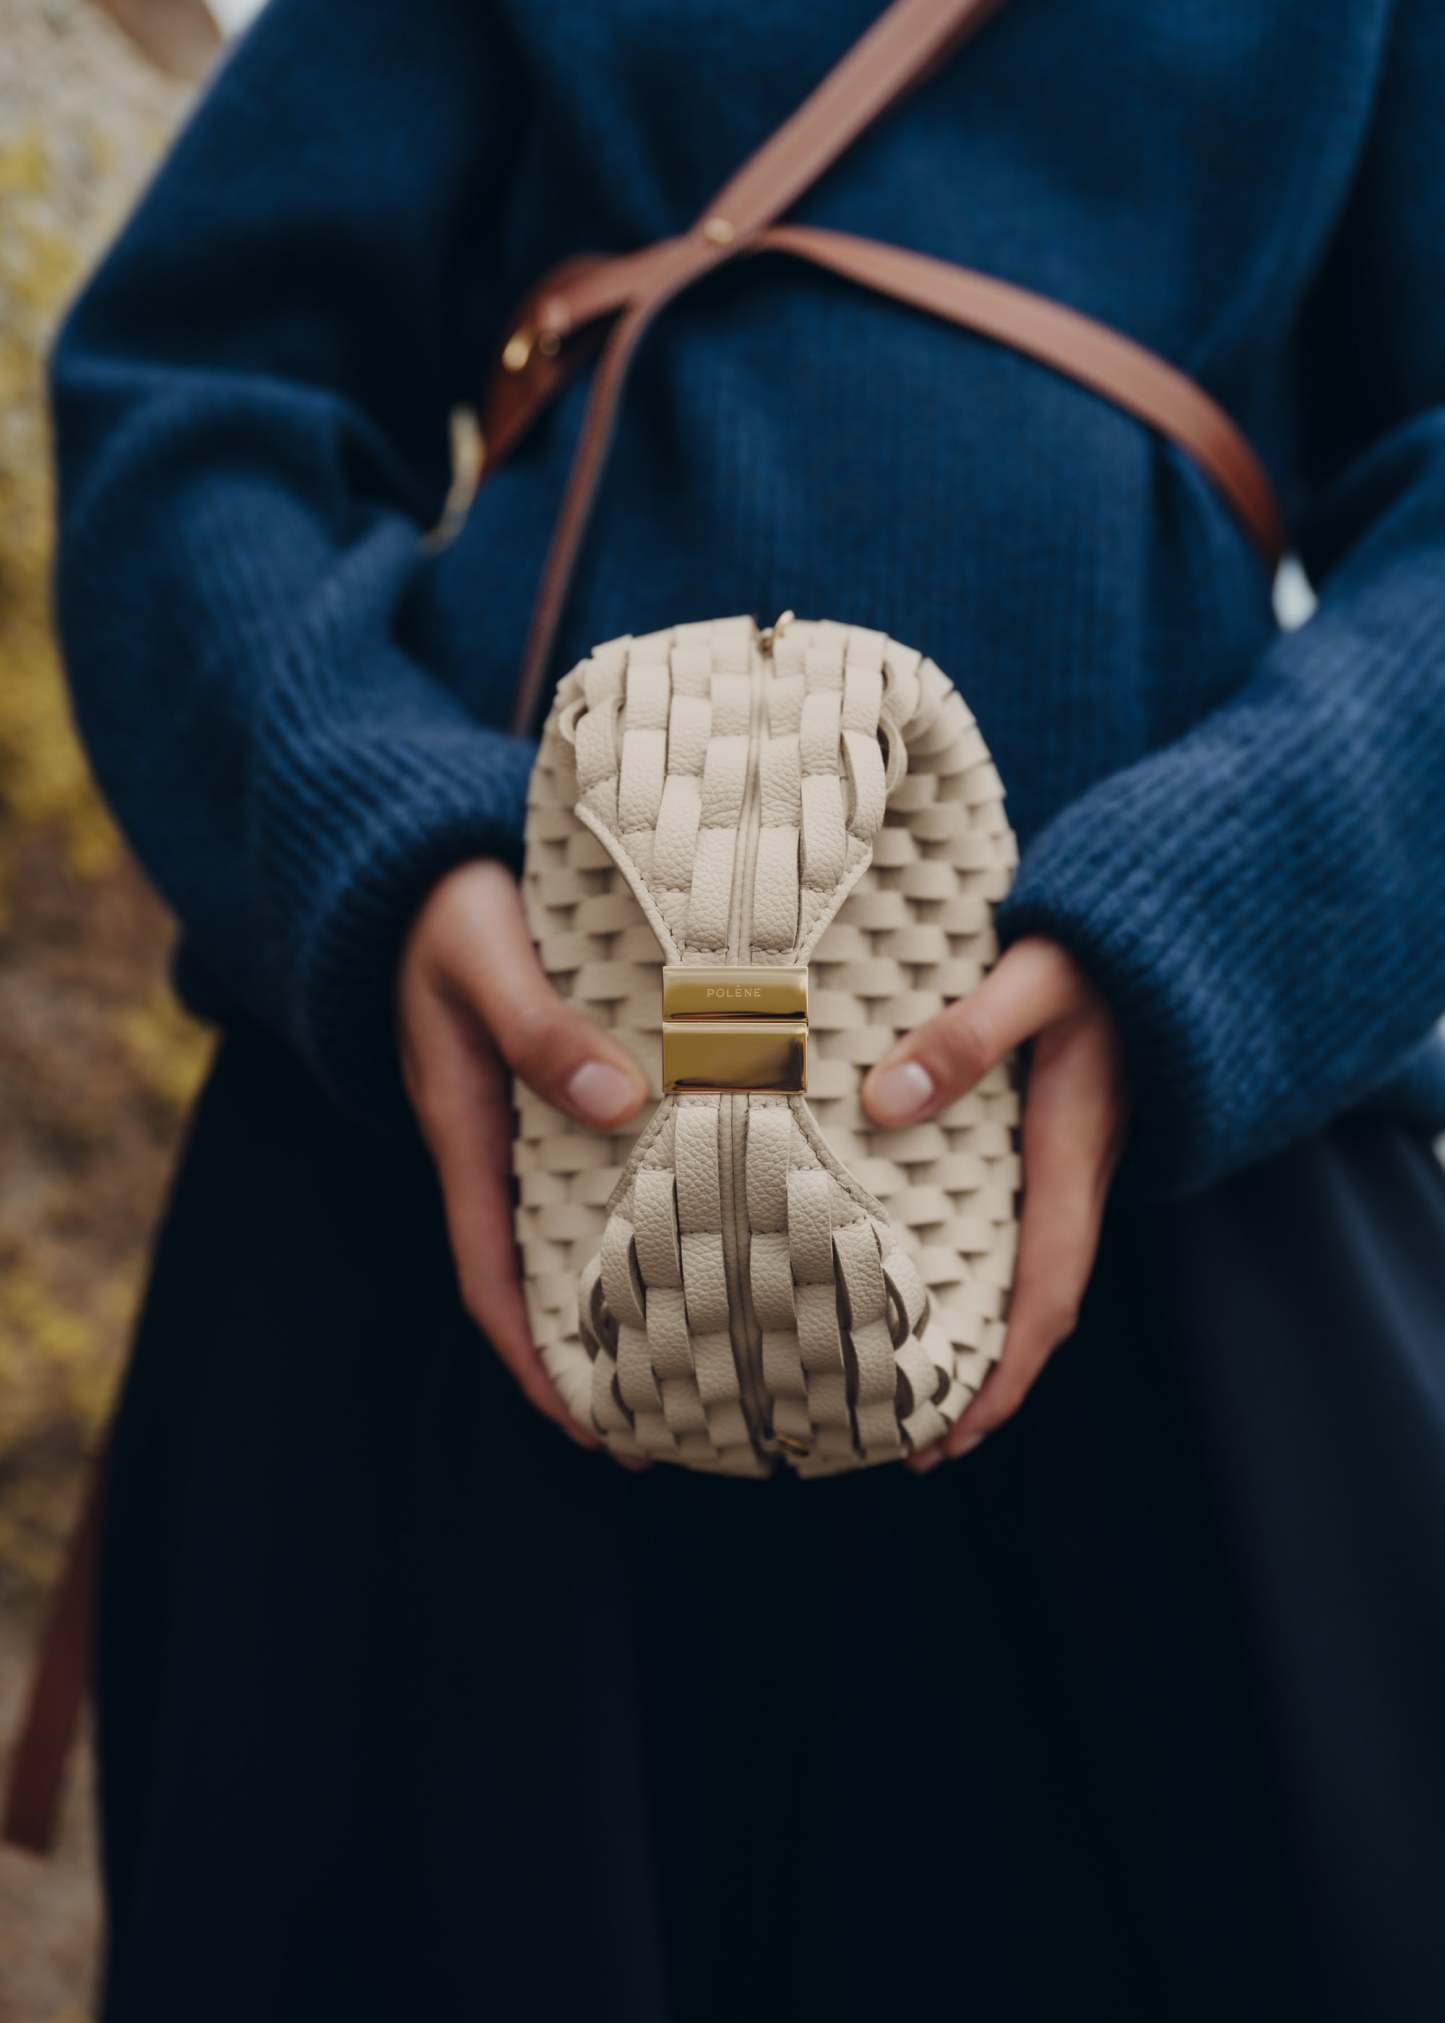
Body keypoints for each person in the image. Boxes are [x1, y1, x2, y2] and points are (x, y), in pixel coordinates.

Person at [49, 1, 1445, 2017]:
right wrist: (375, 827)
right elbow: (199, 392)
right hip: (480, 1138)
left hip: (1192, 1163)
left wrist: (1225, 911)